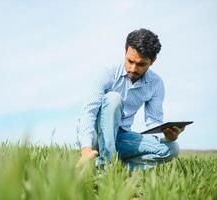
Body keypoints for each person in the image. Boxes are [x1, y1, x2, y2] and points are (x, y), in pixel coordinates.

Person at [76, 28, 185, 170]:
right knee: (114, 98)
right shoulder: (108, 73)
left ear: (152, 61)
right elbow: (89, 112)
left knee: (172, 148)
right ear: (125, 52)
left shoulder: (156, 83)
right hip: (96, 136)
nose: (133, 68)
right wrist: (86, 148)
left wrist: (169, 135)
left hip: (120, 138)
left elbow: (153, 122)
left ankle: (119, 168)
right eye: (130, 61)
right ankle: (106, 167)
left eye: (141, 64)